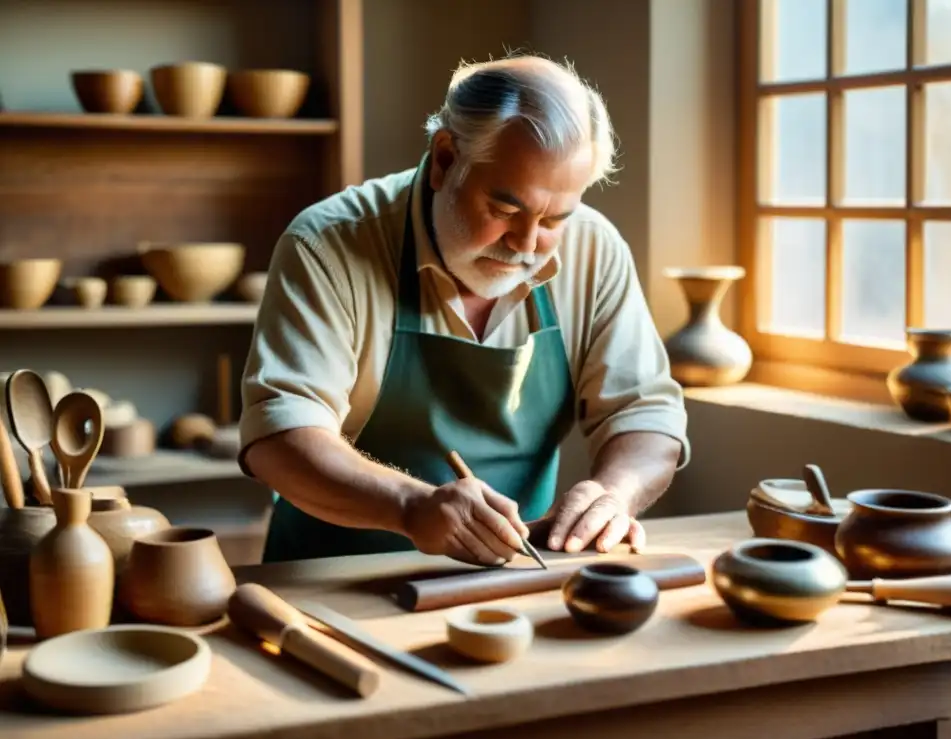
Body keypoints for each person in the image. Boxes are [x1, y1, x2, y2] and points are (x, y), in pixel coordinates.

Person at [237, 53, 691, 566]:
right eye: (504, 210)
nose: (526, 243)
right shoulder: (328, 244)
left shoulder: (595, 248)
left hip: (511, 574)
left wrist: (614, 493)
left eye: (555, 219)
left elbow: (645, 413)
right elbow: (280, 438)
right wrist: (412, 507)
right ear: (446, 159)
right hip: (334, 574)